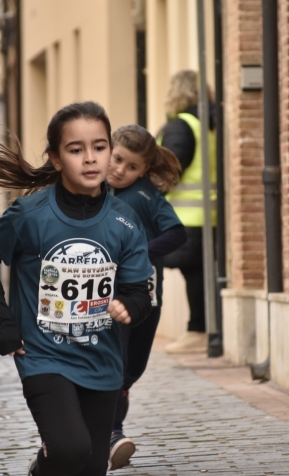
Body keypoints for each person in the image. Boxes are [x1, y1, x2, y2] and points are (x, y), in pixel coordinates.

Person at [0, 101, 153, 476]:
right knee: (69, 449)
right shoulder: (30, 215)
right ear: (55, 158)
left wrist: (131, 305)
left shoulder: (125, 222)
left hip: (103, 359)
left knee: (92, 467)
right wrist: (3, 323)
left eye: (99, 147)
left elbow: (139, 289)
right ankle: (43, 467)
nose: (90, 159)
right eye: (75, 149)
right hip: (43, 355)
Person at [105, 124, 187, 469]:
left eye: (132, 166)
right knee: (114, 364)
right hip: (109, 300)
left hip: (147, 298)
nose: (120, 170)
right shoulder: (93, 190)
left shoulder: (147, 197)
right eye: (117, 159)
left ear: (144, 170)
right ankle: (111, 433)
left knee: (131, 370)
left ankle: (109, 427)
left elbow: (177, 234)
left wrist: (139, 252)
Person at [157, 69, 216, 354]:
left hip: (187, 216)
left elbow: (169, 168)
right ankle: (203, 328)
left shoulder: (182, 125)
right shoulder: (209, 124)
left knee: (194, 273)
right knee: (202, 273)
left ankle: (199, 330)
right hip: (211, 213)